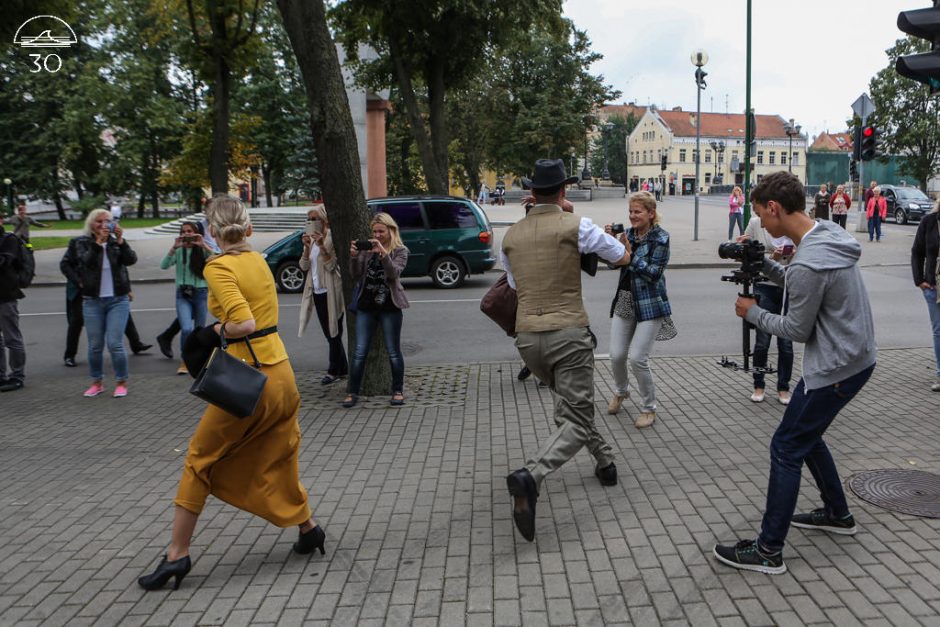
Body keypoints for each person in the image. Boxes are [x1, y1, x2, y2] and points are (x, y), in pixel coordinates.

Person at [138, 196, 323, 591]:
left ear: (213, 231)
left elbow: (243, 322)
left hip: (247, 378)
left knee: (198, 460)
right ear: (249, 227)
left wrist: (209, 333)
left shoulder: (218, 266)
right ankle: (309, 529)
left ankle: (177, 555)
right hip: (281, 374)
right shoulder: (257, 260)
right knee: (281, 452)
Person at [713, 171, 877, 575]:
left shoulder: (808, 261)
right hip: (855, 358)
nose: (763, 226)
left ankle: (769, 550)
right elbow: (799, 284)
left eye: (762, 217)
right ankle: (838, 514)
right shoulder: (824, 237)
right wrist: (765, 263)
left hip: (835, 367)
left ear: (775, 208)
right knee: (806, 434)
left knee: (786, 447)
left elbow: (796, 329)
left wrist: (753, 313)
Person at [501, 159, 630, 542]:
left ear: (531, 193)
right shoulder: (577, 226)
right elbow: (620, 257)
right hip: (568, 335)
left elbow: (513, 282)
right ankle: (532, 476)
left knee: (571, 405)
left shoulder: (510, 237)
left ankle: (605, 461)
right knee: (574, 419)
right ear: (563, 191)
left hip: (527, 340)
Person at [604, 191, 676, 429]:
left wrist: (629, 254)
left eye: (638, 212)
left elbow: (654, 273)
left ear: (651, 213)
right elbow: (615, 264)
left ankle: (649, 408)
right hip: (625, 299)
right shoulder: (628, 234)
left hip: (649, 304)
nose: (633, 216)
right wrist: (610, 244)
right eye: (631, 212)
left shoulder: (661, 238)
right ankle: (621, 391)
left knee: (637, 358)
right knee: (616, 355)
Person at [60, 209, 137, 398]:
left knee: (114, 343)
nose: (104, 225)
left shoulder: (114, 242)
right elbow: (74, 263)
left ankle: (121, 382)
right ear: (91, 224)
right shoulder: (80, 243)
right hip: (92, 300)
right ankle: (97, 382)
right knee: (95, 345)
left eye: (107, 221)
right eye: (99, 221)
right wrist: (78, 281)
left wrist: (120, 241)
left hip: (117, 299)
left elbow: (130, 260)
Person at [342, 212, 410, 408]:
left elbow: (394, 274)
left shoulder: (400, 251)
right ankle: (352, 392)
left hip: (390, 307)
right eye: (374, 232)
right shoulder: (367, 250)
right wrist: (354, 257)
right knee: (359, 351)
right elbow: (355, 274)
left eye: (381, 231)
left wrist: (383, 254)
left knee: (394, 351)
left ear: (391, 230)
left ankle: (397, 390)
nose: (377, 235)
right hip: (366, 306)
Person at [740, 215, 795, 405]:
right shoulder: (757, 223)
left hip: (788, 287)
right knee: (762, 342)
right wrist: (772, 258)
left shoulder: (791, 223)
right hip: (765, 286)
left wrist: (793, 255)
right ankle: (758, 385)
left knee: (786, 344)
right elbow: (748, 251)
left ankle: (783, 387)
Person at [299, 205, 347, 385]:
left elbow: (331, 266)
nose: (312, 223)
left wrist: (322, 246)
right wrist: (306, 248)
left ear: (324, 219)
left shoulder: (331, 237)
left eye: (315, 219)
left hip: (332, 290)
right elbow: (304, 267)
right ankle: (343, 368)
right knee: (329, 333)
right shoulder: (310, 240)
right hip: (316, 291)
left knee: (334, 331)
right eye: (309, 220)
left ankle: (333, 371)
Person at [160, 221, 214, 375]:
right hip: (183, 294)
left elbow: (218, 257)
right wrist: (173, 248)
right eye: (184, 232)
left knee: (199, 330)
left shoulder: (201, 250)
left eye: (190, 231)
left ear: (196, 233)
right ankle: (185, 360)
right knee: (186, 329)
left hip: (201, 293)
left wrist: (203, 245)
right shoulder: (179, 250)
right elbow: (163, 265)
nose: (187, 234)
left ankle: (200, 360)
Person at [911, 200, 940, 392]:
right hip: (933, 286)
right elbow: (917, 253)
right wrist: (919, 280)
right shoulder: (929, 222)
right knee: (939, 330)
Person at [0, 212, 26, 392]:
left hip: (5, 295)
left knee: (12, 338)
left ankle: (17, 375)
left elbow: (5, 261)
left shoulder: (8, 239)